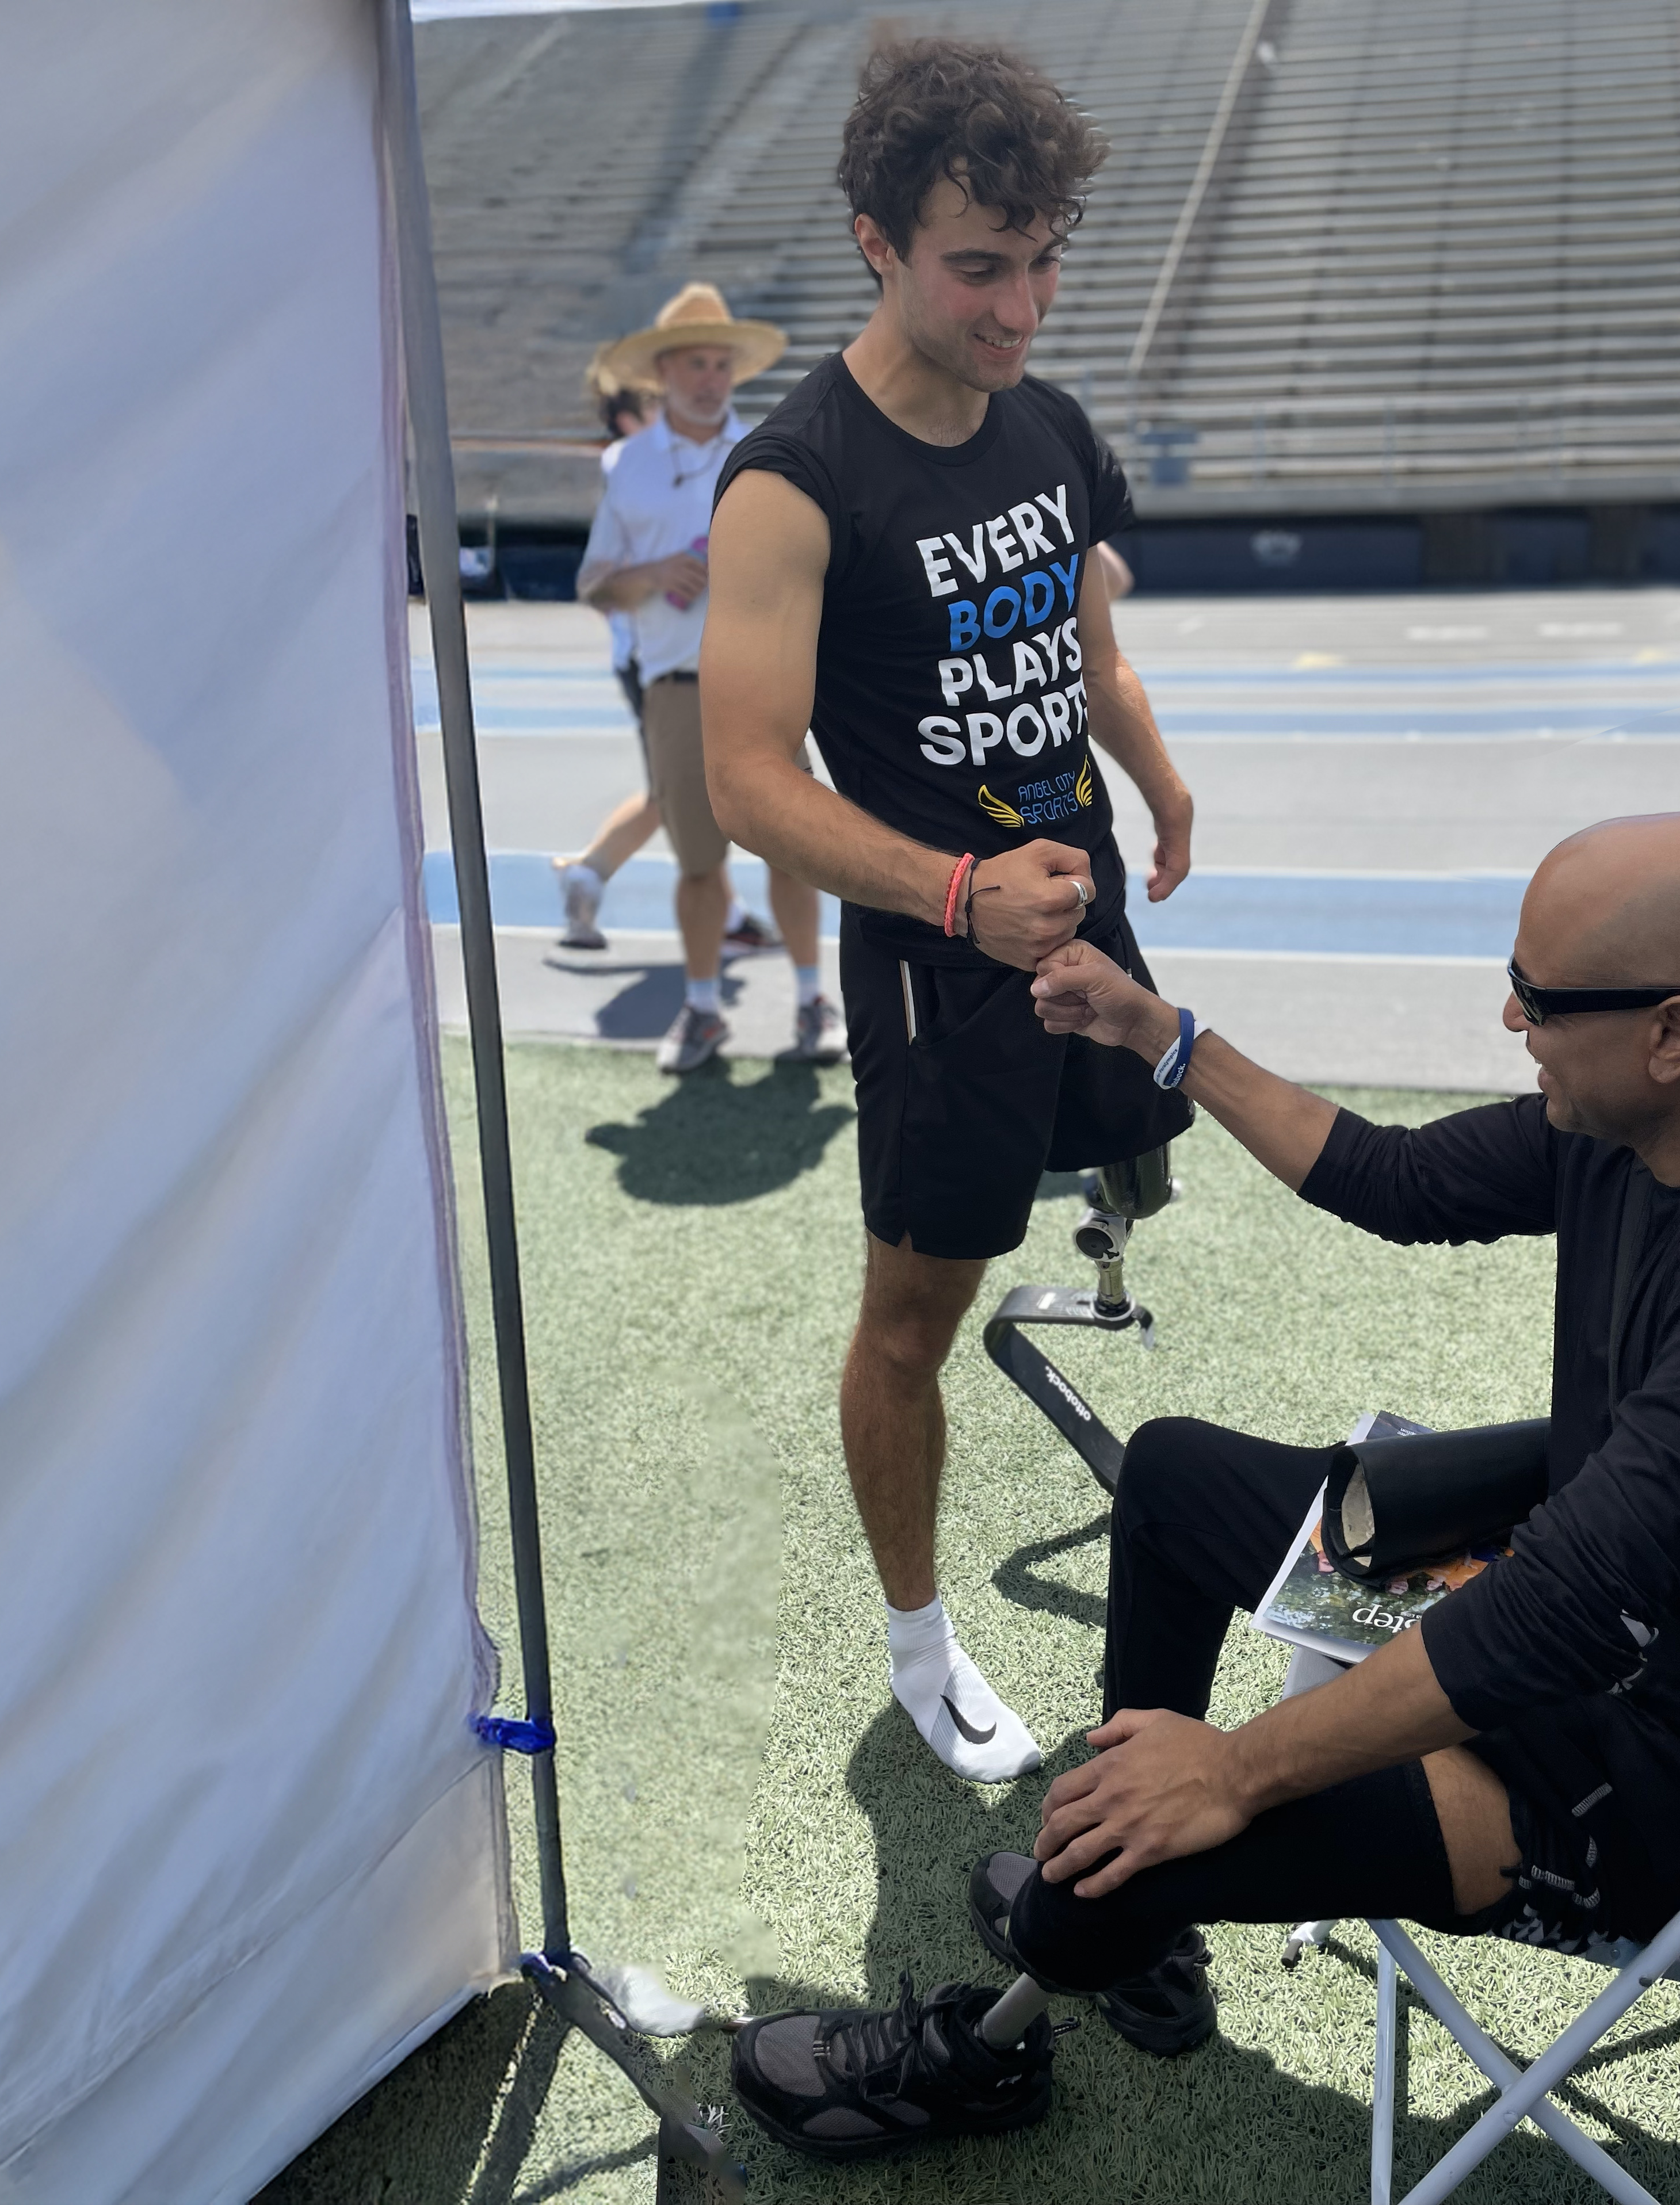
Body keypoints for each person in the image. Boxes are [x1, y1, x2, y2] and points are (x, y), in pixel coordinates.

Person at [721, 814, 1680, 2163]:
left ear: (1677, 1031)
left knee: (1140, 1839)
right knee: (1171, 1480)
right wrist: (1158, 1032)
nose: (1511, 1016)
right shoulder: (1662, 1119)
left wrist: (1234, 1770)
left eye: (1539, 999)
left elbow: (1557, 1615)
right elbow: (1394, 1179)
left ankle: (991, 2041)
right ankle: (1121, 1927)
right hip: (1595, 1632)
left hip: (1672, 1785)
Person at [706, 33, 1199, 1782]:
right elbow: (748, 773)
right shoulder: (794, 478)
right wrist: (956, 889)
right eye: (978, 267)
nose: (1021, 306)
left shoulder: (1051, 422)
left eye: (1046, 259)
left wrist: (1154, 772)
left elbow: (1084, 647)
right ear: (875, 242)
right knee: (910, 1315)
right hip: (942, 954)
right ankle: (919, 1641)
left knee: (1132, 1151)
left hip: (1079, 903)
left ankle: (1081, 1268)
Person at [576, 282, 837, 1071]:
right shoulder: (625, 466)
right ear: (662, 372)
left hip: (771, 685)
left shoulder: (772, 447)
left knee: (794, 853)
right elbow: (596, 585)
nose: (711, 378)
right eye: (696, 363)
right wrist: (652, 573)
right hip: (677, 688)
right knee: (697, 864)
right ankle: (700, 1010)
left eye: (722, 363)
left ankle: (808, 1001)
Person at [555, 374, 795, 969]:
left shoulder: (675, 465)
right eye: (656, 411)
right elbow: (604, 579)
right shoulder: (632, 465)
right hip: (656, 660)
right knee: (687, 789)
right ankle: (591, 872)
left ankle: (724, 915)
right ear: (637, 419)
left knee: (686, 789)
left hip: (673, 652)